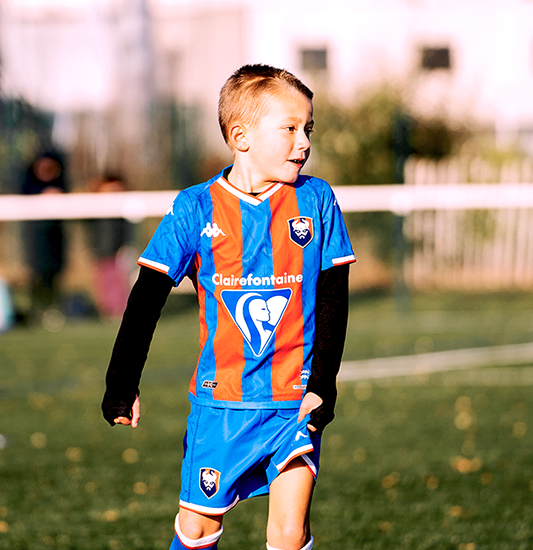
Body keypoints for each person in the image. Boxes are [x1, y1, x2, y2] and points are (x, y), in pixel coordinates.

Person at [101, 64, 356, 550]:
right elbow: (146, 298)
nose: (303, 142)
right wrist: (121, 383)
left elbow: (332, 298)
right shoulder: (195, 208)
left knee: (290, 532)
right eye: (289, 129)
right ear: (240, 136)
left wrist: (323, 384)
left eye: (308, 129)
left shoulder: (317, 200)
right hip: (221, 406)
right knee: (198, 529)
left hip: (293, 404)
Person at [20, 151, 68, 324]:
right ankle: (36, 311)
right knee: (36, 276)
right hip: (36, 241)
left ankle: (53, 310)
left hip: (55, 240)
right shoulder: (28, 187)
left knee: (54, 277)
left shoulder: (62, 185)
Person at [86, 174, 134, 319]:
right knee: (104, 282)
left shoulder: (123, 207)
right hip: (101, 251)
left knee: (119, 281)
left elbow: (128, 230)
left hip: (118, 251)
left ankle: (120, 309)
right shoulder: (96, 207)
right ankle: (107, 310)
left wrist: (127, 247)